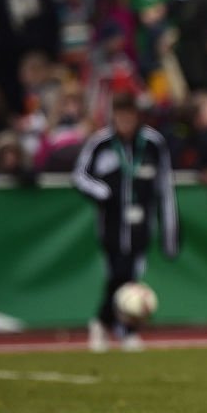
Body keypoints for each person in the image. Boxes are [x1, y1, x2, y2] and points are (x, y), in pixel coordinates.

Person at [73, 93, 179, 352]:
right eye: (120, 117)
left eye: (130, 117)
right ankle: (109, 325)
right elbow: (79, 176)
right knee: (117, 275)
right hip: (112, 223)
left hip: (142, 223)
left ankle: (119, 328)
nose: (125, 122)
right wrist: (103, 193)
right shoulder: (101, 143)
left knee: (132, 276)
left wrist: (170, 230)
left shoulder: (153, 143)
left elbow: (165, 187)